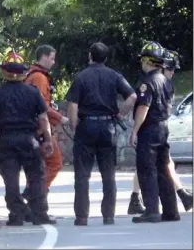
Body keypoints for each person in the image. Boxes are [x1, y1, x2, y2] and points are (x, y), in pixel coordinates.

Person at [65, 42, 137, 226]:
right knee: (108, 174)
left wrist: (74, 125)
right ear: (105, 58)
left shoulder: (81, 77)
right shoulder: (114, 76)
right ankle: (108, 216)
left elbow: (73, 105)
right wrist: (120, 113)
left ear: (90, 56)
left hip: (86, 127)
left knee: (82, 175)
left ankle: (81, 217)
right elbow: (133, 97)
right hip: (108, 127)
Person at [0, 51, 56, 226]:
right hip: (29, 140)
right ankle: (39, 215)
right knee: (35, 177)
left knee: (10, 179)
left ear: (4, 72)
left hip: (6, 140)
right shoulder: (32, 92)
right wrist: (47, 140)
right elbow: (43, 119)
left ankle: (16, 215)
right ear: (23, 71)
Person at [127, 49, 193, 214]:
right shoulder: (166, 82)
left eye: (142, 60)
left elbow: (143, 107)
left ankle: (151, 211)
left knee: (147, 170)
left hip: (149, 129)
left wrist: (135, 130)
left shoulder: (147, 82)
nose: (141, 64)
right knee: (164, 169)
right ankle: (171, 211)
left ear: (149, 61)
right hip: (163, 128)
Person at [21, 45, 69, 216]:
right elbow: (42, 106)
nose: (54, 62)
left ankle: (35, 204)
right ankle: (33, 194)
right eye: (52, 58)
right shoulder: (40, 78)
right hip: (41, 129)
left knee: (38, 167)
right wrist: (60, 118)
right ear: (43, 57)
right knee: (54, 163)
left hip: (31, 128)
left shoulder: (29, 76)